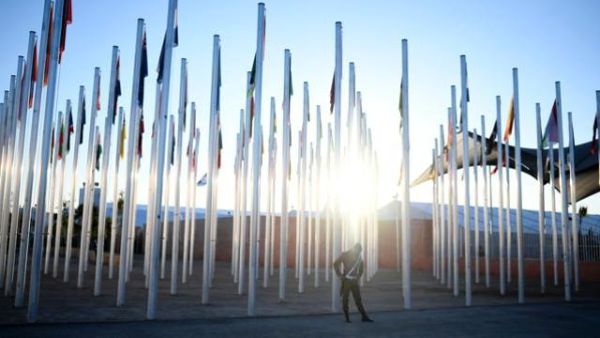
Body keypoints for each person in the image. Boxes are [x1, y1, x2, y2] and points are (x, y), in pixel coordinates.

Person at [333, 243, 373, 323]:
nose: (358, 253)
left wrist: (359, 276)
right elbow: (335, 264)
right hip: (347, 280)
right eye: (358, 251)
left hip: (354, 281)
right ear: (354, 249)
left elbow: (361, 268)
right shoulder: (345, 254)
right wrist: (340, 275)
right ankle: (347, 318)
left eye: (359, 252)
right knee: (345, 299)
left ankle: (364, 316)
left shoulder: (358, 256)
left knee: (358, 299)